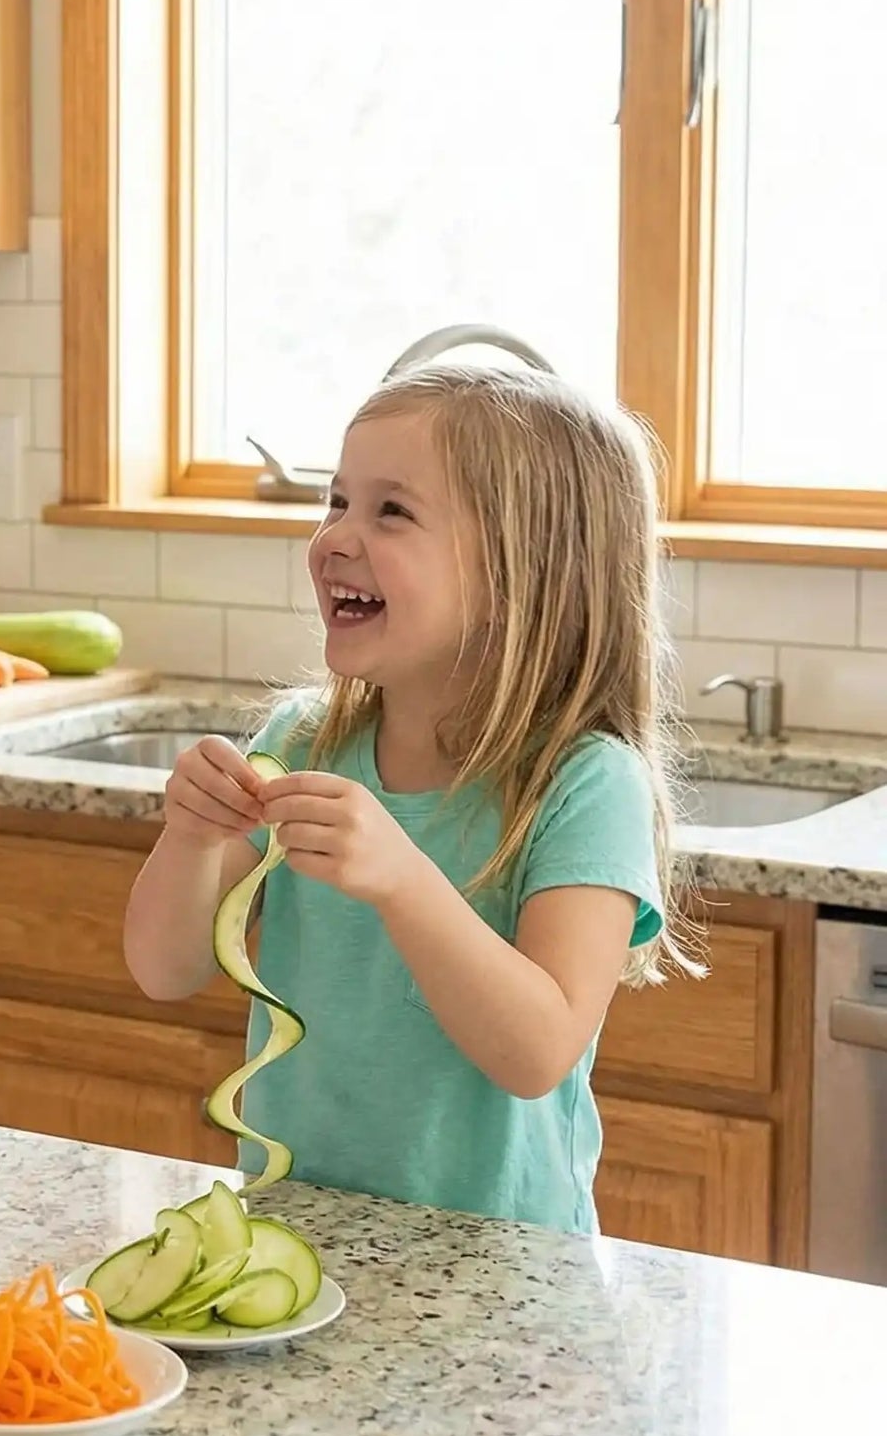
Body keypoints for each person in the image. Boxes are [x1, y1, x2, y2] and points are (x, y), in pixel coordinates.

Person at [123, 364, 701, 1232]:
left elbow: (538, 1049)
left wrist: (403, 878)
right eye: (336, 501)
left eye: (391, 511)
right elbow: (164, 971)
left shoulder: (584, 782)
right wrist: (190, 837)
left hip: (502, 1270)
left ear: (520, 572)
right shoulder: (300, 742)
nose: (337, 539)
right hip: (298, 1242)